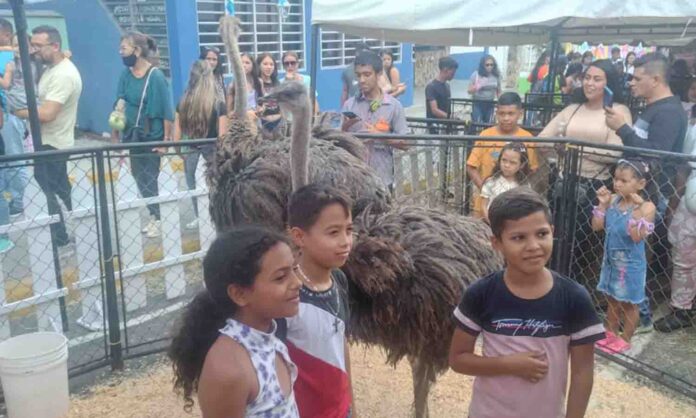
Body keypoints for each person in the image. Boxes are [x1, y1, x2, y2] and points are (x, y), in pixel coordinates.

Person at [449, 187, 604, 418]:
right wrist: (508, 364)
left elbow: (582, 372)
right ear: (497, 243)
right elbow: (458, 359)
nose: (533, 246)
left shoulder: (574, 298)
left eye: (541, 234)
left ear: (552, 232)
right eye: (518, 238)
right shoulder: (481, 293)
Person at [168, 226, 301, 417]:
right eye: (281, 277)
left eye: (294, 270)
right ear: (239, 294)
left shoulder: (271, 338)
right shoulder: (229, 370)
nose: (297, 283)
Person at [539, 59, 632, 299]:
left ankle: (571, 294)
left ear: (609, 84)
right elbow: (543, 138)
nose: (590, 83)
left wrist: (573, 149)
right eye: (587, 77)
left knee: (581, 246)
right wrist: (561, 152)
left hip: (594, 187)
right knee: (555, 238)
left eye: (597, 78)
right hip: (562, 182)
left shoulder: (618, 112)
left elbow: (616, 151)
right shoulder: (573, 108)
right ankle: (549, 289)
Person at [281, 184, 356, 418]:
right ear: (299, 236)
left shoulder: (339, 280)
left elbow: (340, 345)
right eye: (333, 232)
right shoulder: (286, 296)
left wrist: (351, 406)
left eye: (349, 230)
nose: (345, 241)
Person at [15, 25, 82, 248]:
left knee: (46, 192)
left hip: (53, 143)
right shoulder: (51, 67)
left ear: (54, 46)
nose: (33, 50)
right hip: (48, 141)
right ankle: (79, 228)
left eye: (38, 46)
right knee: (60, 190)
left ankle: (60, 237)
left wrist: (14, 111)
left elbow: (47, 113)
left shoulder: (63, 74)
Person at [111, 31, 174, 239]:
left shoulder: (155, 76)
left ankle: (158, 217)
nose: (121, 53)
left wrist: (166, 141)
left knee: (152, 177)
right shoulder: (124, 75)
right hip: (131, 134)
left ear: (137, 51)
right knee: (138, 176)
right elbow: (119, 102)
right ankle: (154, 214)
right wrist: (115, 135)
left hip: (152, 134)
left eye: (124, 49)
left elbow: (167, 110)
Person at [592, 159, 656, 353]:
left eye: (624, 181)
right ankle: (610, 332)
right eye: (615, 179)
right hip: (611, 261)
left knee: (629, 303)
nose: (617, 184)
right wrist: (602, 206)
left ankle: (626, 338)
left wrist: (636, 210)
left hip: (631, 265)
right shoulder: (613, 200)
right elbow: (597, 226)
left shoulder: (647, 207)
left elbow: (636, 237)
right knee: (612, 299)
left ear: (641, 184)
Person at [173, 60, 228, 230]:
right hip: (212, 154)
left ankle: (199, 217)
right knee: (214, 190)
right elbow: (223, 136)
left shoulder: (183, 102)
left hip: (190, 153)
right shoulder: (219, 104)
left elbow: (176, 137)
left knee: (194, 189)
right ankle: (216, 221)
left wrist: (180, 152)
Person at [467, 92, 540, 217]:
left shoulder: (527, 138)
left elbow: (532, 168)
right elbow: (471, 166)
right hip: (483, 206)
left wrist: (514, 188)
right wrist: (487, 190)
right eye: (502, 114)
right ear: (496, 113)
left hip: (514, 207)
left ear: (520, 114)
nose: (506, 118)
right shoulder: (486, 135)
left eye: (511, 114)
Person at [341, 50, 408, 188]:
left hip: (382, 181)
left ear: (378, 74)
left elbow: (406, 143)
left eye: (367, 74)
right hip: (354, 180)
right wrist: (344, 130)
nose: (361, 80)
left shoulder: (394, 106)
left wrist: (381, 136)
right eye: (358, 75)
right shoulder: (349, 105)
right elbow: (339, 141)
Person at [479, 142, 530, 222]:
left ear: (521, 165)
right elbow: (483, 206)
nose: (507, 165)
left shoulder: (524, 185)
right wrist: (490, 222)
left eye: (512, 162)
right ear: (499, 160)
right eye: (504, 160)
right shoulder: (491, 182)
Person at [425, 56, 458, 132]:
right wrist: (450, 117)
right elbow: (434, 110)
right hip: (435, 127)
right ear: (445, 70)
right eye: (452, 72)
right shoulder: (431, 87)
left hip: (446, 126)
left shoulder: (447, 86)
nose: (453, 75)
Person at [226, 52, 263, 117]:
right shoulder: (232, 85)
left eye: (247, 63)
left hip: (256, 119)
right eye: (241, 62)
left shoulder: (259, 82)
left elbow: (263, 102)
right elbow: (229, 112)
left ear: (253, 65)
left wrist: (260, 108)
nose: (244, 65)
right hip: (240, 121)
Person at [468, 55, 501, 123]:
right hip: (478, 103)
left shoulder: (496, 75)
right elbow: (469, 91)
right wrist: (477, 86)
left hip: (490, 103)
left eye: (492, 65)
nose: (490, 67)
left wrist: (500, 102)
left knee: (489, 124)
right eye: (487, 65)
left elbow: (499, 90)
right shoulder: (476, 74)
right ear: (483, 65)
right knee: (478, 123)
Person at [257, 53, 283, 137]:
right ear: (258, 65)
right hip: (262, 125)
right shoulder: (255, 83)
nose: (269, 67)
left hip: (279, 124)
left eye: (271, 64)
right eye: (265, 64)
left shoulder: (277, 83)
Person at [340, 43, 370, 107]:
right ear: (356, 54)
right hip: (354, 107)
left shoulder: (373, 69)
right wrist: (343, 109)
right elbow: (345, 91)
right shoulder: (348, 71)